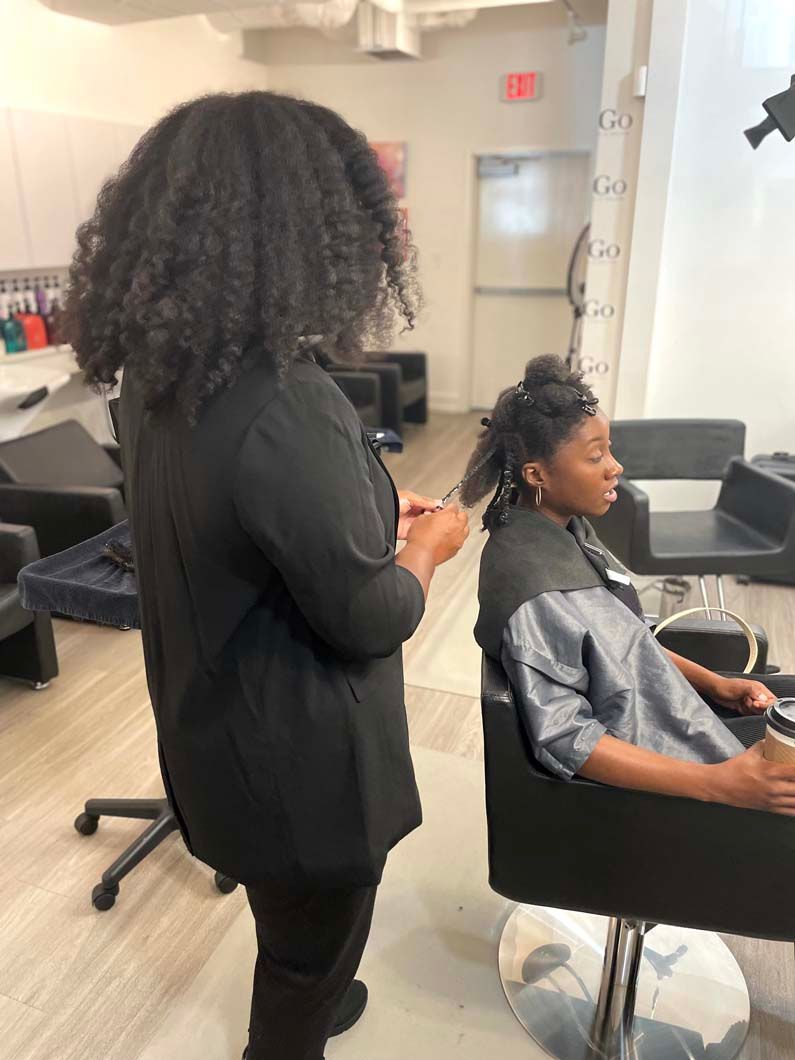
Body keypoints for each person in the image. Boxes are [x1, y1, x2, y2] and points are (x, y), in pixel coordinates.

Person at [63, 91, 469, 1060]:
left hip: (213, 735)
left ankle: (316, 992)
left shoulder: (160, 381)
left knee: (292, 930)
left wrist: (370, 505)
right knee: (303, 962)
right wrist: (427, 547)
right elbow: (372, 615)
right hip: (299, 767)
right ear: (321, 233)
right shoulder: (291, 399)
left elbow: (239, 521)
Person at [462, 354, 795, 816]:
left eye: (610, 449)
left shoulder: (566, 531)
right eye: (595, 456)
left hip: (677, 721)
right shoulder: (534, 587)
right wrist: (720, 783)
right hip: (671, 773)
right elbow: (566, 737)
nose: (614, 467)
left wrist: (716, 685)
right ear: (537, 475)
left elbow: (624, 638)